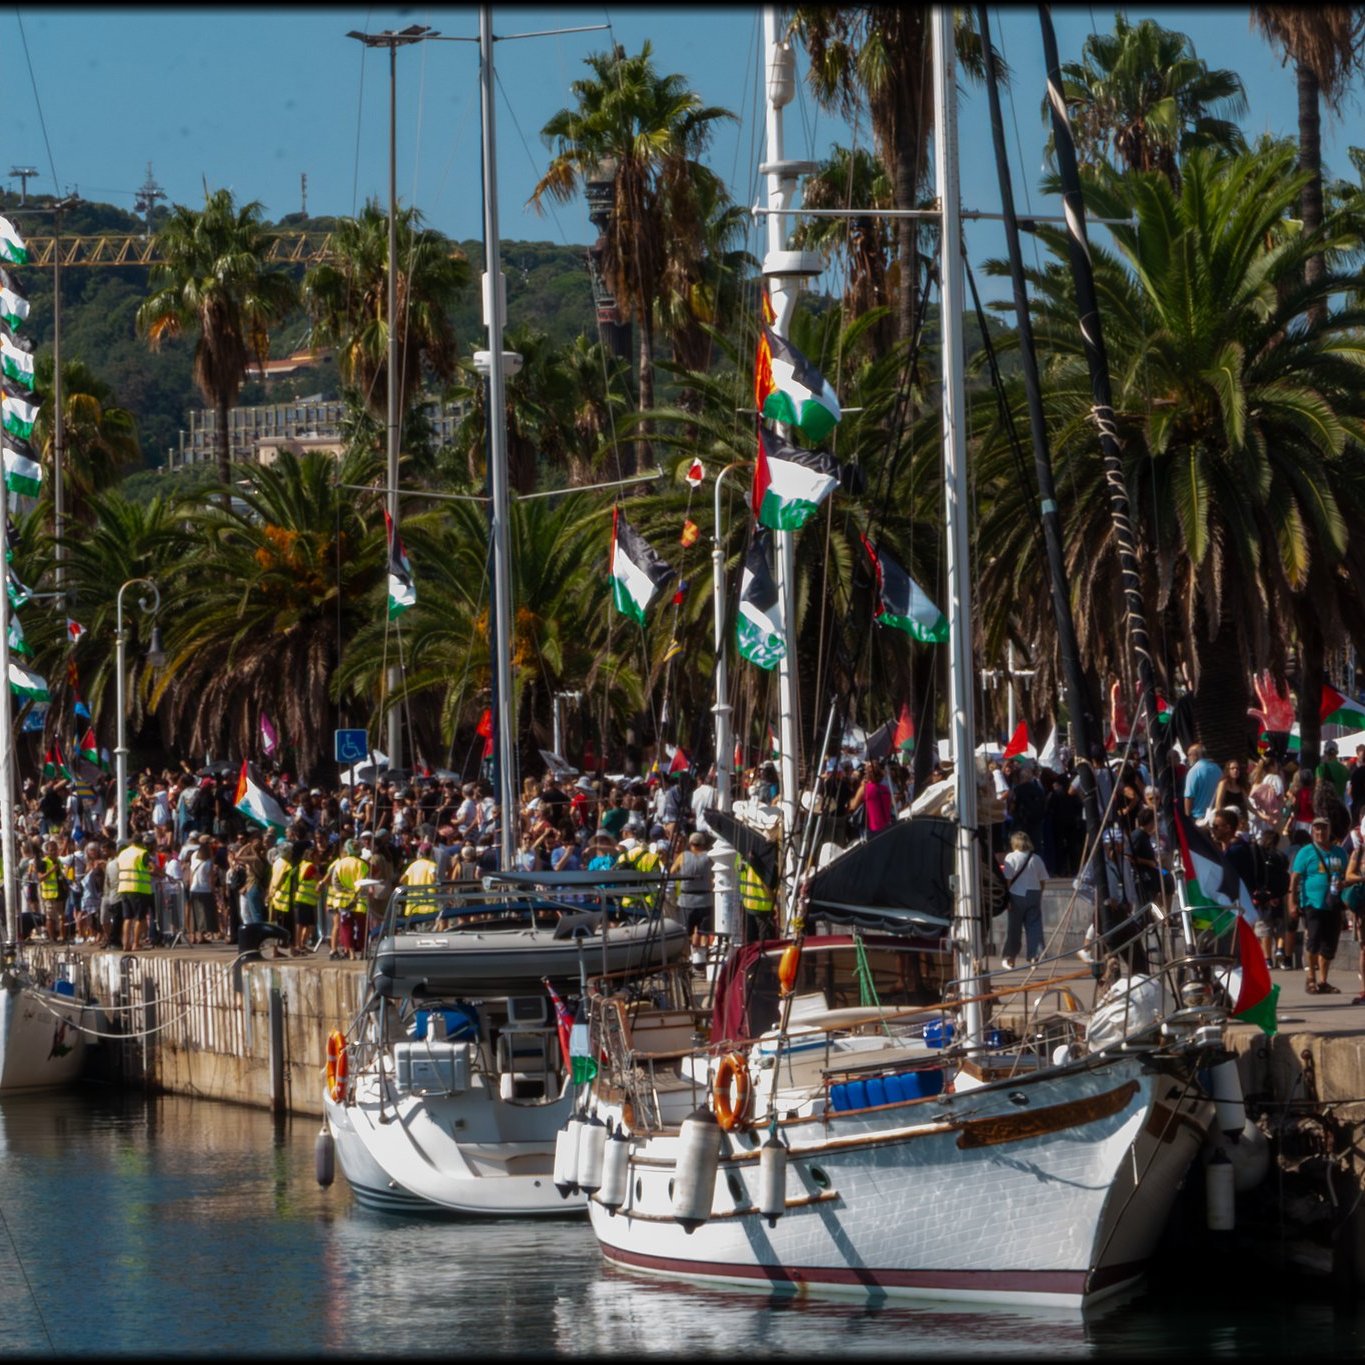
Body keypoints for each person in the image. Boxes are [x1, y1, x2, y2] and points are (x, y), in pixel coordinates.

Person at [1289, 816, 1348, 995]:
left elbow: (1346, 875)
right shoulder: (1306, 852)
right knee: (1313, 941)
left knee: (1329, 944)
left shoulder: (1339, 852)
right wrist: (1292, 901)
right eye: (1317, 829)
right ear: (1312, 831)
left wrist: (1343, 885)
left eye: (1323, 829)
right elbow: (1295, 878)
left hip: (1334, 903)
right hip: (1312, 903)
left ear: (1329, 831)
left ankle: (1323, 981)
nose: (1320, 832)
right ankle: (1311, 979)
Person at [1000, 831, 1047, 969]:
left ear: (1014, 843)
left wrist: (1007, 898)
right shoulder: (1036, 858)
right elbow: (1043, 879)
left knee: (1014, 928)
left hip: (1016, 894)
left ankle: (1010, 958)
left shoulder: (1011, 857)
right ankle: (1034, 957)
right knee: (1034, 926)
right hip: (1034, 892)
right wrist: (1039, 893)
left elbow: (1008, 880)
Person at [672, 830, 713, 966]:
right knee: (704, 932)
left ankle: (687, 959)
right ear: (703, 844)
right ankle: (702, 960)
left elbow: (672, 871)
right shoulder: (708, 857)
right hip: (706, 900)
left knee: (685, 933)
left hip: (686, 901)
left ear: (690, 844)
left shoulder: (683, 856)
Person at [847, 759, 893, 839]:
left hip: (870, 829)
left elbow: (853, 806)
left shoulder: (864, 788)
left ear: (867, 774)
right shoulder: (885, 789)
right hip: (886, 828)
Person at [1182, 743, 1222, 824]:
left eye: (1189, 755)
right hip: (1216, 816)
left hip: (1199, 818)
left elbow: (1189, 797)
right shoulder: (1217, 768)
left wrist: (1188, 818)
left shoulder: (1194, 771)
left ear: (1195, 755)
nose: (1188, 758)